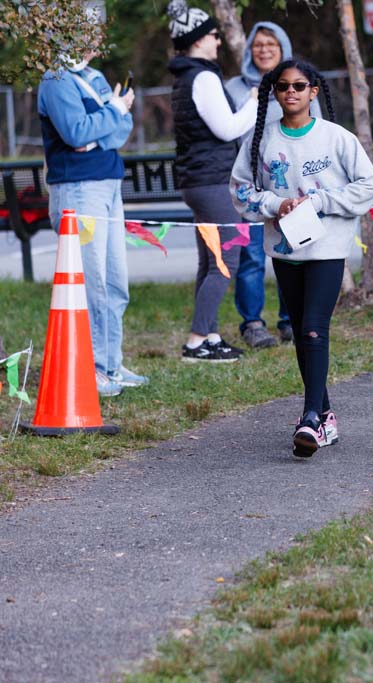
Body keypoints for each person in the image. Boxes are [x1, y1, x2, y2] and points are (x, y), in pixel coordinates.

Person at [231, 60, 373, 457]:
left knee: (315, 327)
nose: (291, 92)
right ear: (274, 92)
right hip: (285, 249)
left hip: (327, 247)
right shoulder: (261, 140)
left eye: (300, 85)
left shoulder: (336, 138)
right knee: (301, 331)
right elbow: (241, 190)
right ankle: (325, 415)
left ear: (314, 90)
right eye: (282, 86)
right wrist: (277, 203)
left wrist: (321, 202)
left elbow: (370, 185)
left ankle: (311, 417)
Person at [37, 0, 147, 397]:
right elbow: (75, 133)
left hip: (108, 183)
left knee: (116, 281)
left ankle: (111, 363)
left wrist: (102, 127)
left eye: (94, 31)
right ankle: (94, 367)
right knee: (93, 282)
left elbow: (119, 133)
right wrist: (114, 110)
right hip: (79, 190)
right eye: (83, 30)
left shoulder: (94, 75)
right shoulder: (56, 79)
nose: (90, 39)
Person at [167, 0, 257, 363]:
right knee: (226, 262)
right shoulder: (203, 77)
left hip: (200, 181)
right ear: (199, 38)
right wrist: (253, 103)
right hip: (213, 182)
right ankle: (195, 341)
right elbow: (227, 128)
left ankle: (211, 335)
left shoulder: (186, 76)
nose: (219, 41)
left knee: (210, 261)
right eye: (214, 35)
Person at [225, 21, 322, 348]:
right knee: (251, 257)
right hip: (252, 187)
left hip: (292, 189)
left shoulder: (298, 83)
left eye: (271, 44)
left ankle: (289, 320)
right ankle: (252, 324)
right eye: (258, 44)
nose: (264, 49)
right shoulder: (235, 88)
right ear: (249, 50)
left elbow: (317, 132)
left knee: (291, 254)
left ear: (283, 48)